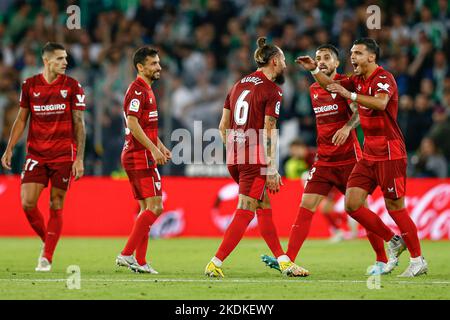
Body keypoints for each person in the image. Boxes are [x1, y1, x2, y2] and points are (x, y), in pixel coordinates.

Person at [297, 38, 428, 277]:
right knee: (352, 204)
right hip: (368, 154)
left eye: (357, 53)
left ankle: (418, 260)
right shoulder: (356, 80)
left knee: (395, 207)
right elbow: (329, 86)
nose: (353, 58)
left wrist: (351, 96)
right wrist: (314, 70)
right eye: (351, 53)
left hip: (390, 152)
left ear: (371, 57)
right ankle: (394, 240)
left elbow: (380, 103)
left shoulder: (383, 78)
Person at [261, 44, 385, 276]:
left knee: (360, 208)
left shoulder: (346, 83)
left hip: (349, 159)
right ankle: (289, 261)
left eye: (327, 57)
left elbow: (359, 111)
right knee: (306, 205)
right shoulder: (314, 89)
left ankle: (382, 259)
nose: (322, 61)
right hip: (324, 160)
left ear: (337, 63)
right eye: (318, 57)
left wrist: (348, 127)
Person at [205, 37, 308, 278]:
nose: (285, 63)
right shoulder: (272, 90)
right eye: (282, 59)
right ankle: (215, 262)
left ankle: (284, 262)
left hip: (235, 156)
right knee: (245, 208)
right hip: (254, 158)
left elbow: (223, 126)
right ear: (274, 61)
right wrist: (271, 167)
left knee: (263, 206)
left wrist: (235, 149)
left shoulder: (238, 85)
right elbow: (269, 129)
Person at [1, 42, 86, 272]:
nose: (65, 62)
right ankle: (48, 240)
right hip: (36, 153)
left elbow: (79, 124)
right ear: (46, 61)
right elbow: (21, 119)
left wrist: (79, 158)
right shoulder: (30, 85)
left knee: (55, 203)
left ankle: (46, 256)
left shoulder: (73, 86)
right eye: (59, 59)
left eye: (66, 58)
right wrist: (9, 148)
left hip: (62, 154)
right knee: (27, 203)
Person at [115, 47, 172, 274]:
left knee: (145, 209)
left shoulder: (146, 89)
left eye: (158, 63)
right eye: (154, 63)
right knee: (156, 207)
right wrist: (152, 150)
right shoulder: (138, 90)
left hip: (140, 153)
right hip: (139, 156)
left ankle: (140, 261)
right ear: (141, 67)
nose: (159, 67)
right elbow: (132, 123)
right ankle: (126, 254)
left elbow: (145, 126)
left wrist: (160, 146)